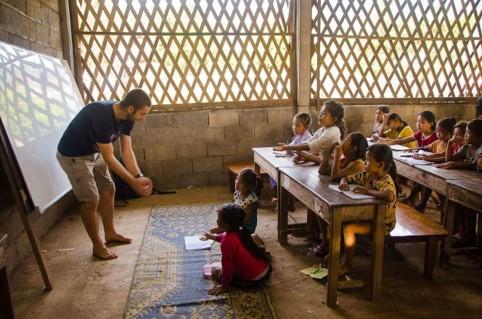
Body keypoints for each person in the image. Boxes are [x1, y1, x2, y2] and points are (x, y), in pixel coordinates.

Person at [56, 89, 154, 260]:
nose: (143, 118)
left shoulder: (127, 118)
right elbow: (109, 158)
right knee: (90, 200)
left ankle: (110, 234)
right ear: (131, 108)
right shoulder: (102, 116)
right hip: (74, 156)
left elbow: (126, 150)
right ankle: (97, 245)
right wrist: (132, 182)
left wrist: (137, 177)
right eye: (143, 114)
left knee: (109, 189)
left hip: (93, 152)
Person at [338, 144, 397, 276]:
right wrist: (344, 182)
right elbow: (347, 177)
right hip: (369, 216)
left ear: (380, 164)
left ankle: (347, 264)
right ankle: (335, 253)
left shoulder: (385, 181)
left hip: (382, 223)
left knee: (349, 229)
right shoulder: (368, 175)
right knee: (340, 221)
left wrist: (368, 191)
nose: (365, 162)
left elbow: (389, 195)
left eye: (368, 160)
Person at [309, 133, 368, 258]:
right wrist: (329, 152)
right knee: (318, 202)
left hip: (357, 204)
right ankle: (326, 240)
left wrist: (337, 154)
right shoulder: (347, 159)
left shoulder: (358, 164)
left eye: (347, 140)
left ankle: (332, 244)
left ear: (354, 148)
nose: (343, 141)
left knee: (323, 206)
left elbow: (334, 176)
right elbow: (322, 170)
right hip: (343, 197)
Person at [201, 204, 271, 295]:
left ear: (224, 224)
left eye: (218, 218)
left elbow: (227, 267)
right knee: (254, 238)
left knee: (216, 272)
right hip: (266, 271)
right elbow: (223, 236)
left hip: (254, 280)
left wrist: (224, 286)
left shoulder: (227, 243)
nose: (216, 220)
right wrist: (211, 237)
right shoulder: (240, 229)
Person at [274, 100, 344, 172]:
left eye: (324, 114)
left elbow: (308, 146)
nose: (320, 115)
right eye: (320, 113)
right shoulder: (322, 130)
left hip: (332, 168)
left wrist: (287, 147)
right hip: (323, 164)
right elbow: (309, 142)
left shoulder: (333, 132)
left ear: (333, 119)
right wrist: (303, 157)